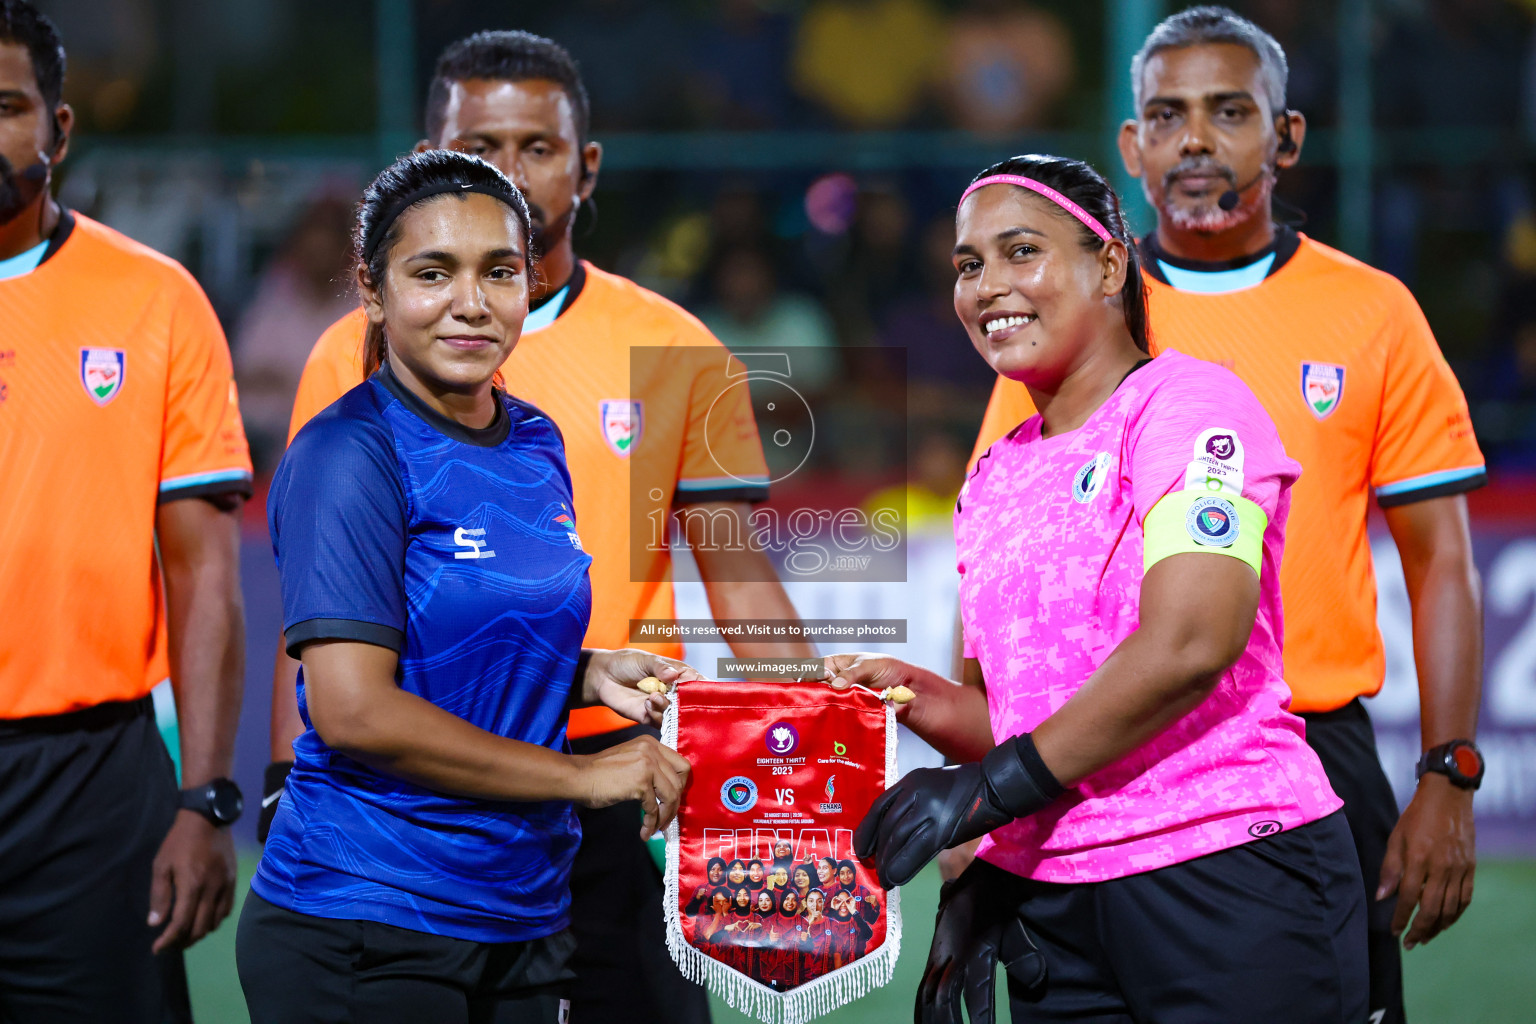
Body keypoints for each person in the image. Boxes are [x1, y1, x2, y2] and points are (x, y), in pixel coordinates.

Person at [262, 33, 814, 1022]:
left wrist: (815, 748)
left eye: (536, 146)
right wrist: (272, 773)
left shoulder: (643, 367)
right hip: (416, 819)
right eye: (478, 146)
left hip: (603, 799)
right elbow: (330, 634)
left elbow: (738, 576)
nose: (504, 171)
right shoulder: (350, 375)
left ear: (587, 166)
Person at [966, 11, 1486, 1021]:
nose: (1194, 139)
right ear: (1131, 147)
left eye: (1227, 112)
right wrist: (985, 800)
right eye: (1166, 114)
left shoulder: (1372, 311)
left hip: (1304, 755)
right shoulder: (1057, 311)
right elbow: (1000, 580)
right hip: (1093, 756)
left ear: (1284, 139)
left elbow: (1441, 564)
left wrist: (1449, 774)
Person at [829, 155, 1367, 1023]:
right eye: (969, 265)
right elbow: (1021, 719)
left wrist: (987, 790)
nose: (988, 286)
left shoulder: (1189, 407)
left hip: (1229, 875)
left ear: (1110, 265)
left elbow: (1191, 642)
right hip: (1057, 907)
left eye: (1020, 252)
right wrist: (922, 708)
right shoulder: (994, 474)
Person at [236, 150, 695, 1024]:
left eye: (500, 272)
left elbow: (456, 642)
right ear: (372, 290)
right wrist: (582, 776)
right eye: (433, 273)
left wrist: (585, 671)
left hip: (523, 919)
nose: (472, 302)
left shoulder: (535, 440)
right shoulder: (349, 455)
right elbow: (352, 710)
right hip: (367, 922)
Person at [0, 4, 251, 1021]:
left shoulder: (155, 300)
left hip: (91, 786)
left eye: (6, 106)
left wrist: (205, 801)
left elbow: (204, 574)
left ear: (59, 131)